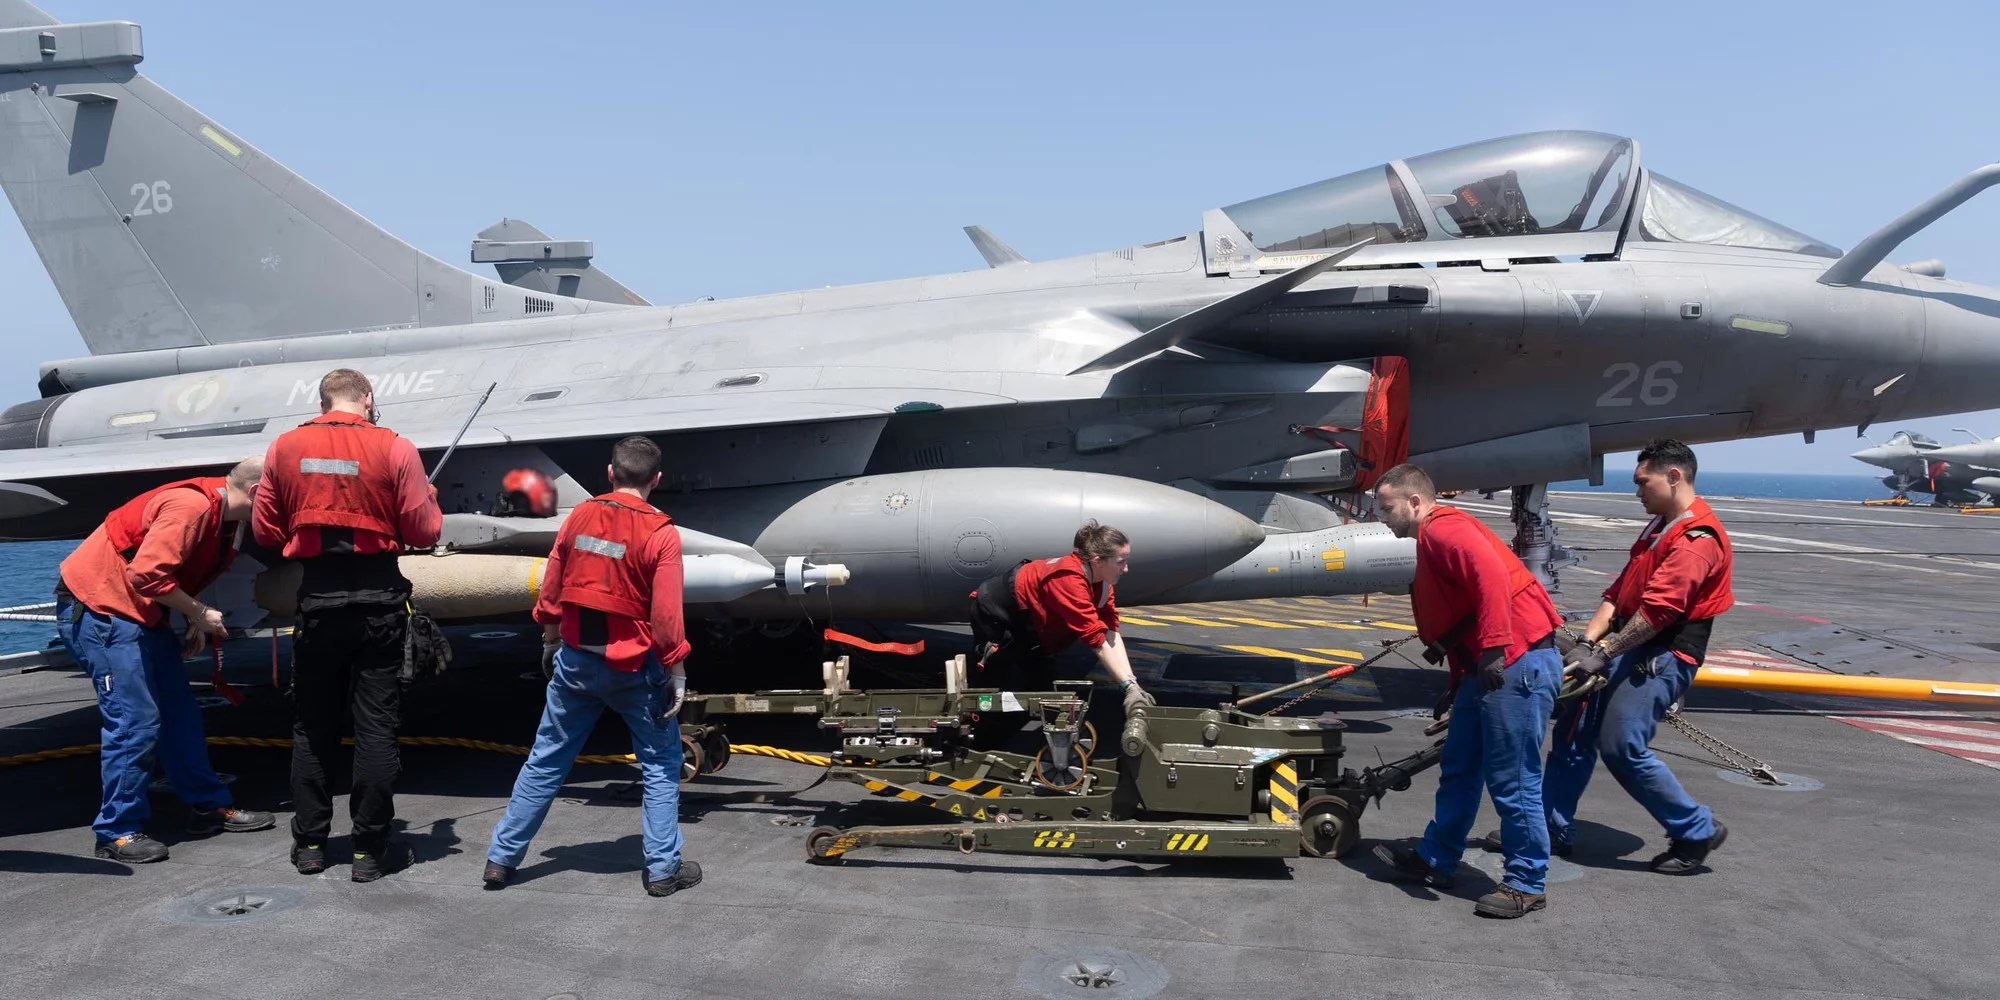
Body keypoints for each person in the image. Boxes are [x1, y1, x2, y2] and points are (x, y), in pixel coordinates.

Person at [482, 436, 700, 897]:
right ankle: (662, 870)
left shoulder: (579, 516)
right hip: (636, 671)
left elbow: (553, 584)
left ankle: (501, 859)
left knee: (545, 760)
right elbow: (665, 618)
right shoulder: (661, 534)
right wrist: (676, 670)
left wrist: (551, 636)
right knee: (661, 765)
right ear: (656, 480)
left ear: (609, 473)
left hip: (576, 664)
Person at [253, 368, 442, 882]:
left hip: (317, 603)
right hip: (379, 605)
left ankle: (311, 845)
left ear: (322, 400)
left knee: (312, 728)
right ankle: (368, 852)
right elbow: (424, 530)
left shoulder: (284, 449)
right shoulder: (396, 448)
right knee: (375, 728)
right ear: (368, 398)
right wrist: (428, 497)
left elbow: (265, 528)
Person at [54, 459, 277, 862]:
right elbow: (146, 575)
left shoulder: (228, 519)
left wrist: (190, 617)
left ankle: (208, 805)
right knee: (134, 720)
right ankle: (116, 831)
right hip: (102, 611)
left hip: (140, 613)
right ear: (259, 492)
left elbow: (178, 572)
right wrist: (198, 613)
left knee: (180, 715)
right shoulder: (189, 507)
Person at [1367, 464, 1564, 919]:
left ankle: (1527, 884)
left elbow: (1491, 577)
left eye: (1387, 507)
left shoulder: (1443, 531)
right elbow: (1465, 614)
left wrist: (1494, 649)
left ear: (1415, 502)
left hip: (1516, 662)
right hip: (1490, 668)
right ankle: (1437, 858)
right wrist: (1460, 681)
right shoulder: (1434, 535)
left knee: (1514, 781)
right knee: (1459, 767)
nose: (1383, 517)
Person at [1537, 439, 1733, 875]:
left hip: (1662, 654)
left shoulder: (1696, 539)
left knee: (1622, 746)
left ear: (1674, 477)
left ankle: (1696, 830)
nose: (1637, 491)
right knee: (1573, 734)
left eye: (1643, 482)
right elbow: (1619, 593)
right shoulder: (1661, 527)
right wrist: (1589, 643)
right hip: (1629, 646)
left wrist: (1603, 652)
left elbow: (1658, 614)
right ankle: (1549, 829)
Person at [969, 520, 1151, 714]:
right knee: (990, 694)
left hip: (1032, 626)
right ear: (1098, 561)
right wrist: (1126, 686)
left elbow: (1111, 631)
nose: (1126, 569)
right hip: (996, 614)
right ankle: (976, 733)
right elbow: (1096, 639)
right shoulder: (1068, 580)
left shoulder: (1102, 583)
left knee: (1040, 690)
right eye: (1121, 562)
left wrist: (1132, 683)